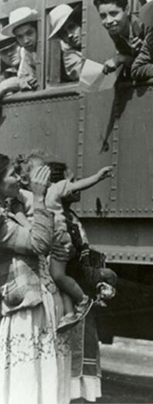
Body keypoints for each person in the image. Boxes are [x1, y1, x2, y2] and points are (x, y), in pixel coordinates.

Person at [12, 152, 113, 332]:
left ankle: (82, 300)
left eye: (46, 169)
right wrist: (27, 226)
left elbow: (77, 185)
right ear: (26, 180)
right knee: (56, 278)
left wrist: (97, 177)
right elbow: (16, 208)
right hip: (46, 241)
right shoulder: (24, 195)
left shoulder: (54, 188)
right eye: (41, 170)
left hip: (58, 239)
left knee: (58, 276)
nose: (46, 173)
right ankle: (68, 314)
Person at [0, 154, 72, 404]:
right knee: (28, 385)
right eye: (12, 174)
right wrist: (40, 197)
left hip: (39, 302)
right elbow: (39, 243)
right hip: (24, 309)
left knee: (42, 381)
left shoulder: (11, 210)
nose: (19, 178)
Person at [46, 161, 117, 403]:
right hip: (64, 291)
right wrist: (97, 277)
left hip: (75, 286)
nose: (76, 186)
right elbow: (69, 264)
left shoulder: (70, 217)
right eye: (72, 181)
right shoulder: (56, 219)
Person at [93, 0, 145, 77]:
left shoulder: (143, 26)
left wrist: (121, 59)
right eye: (103, 16)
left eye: (113, 13)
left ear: (127, 10)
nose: (108, 21)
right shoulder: (115, 30)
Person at [2, 6, 38, 85]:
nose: (26, 41)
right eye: (20, 37)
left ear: (37, 30)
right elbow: (23, 77)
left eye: (29, 33)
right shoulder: (27, 52)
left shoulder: (51, 45)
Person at [48, 4, 84, 81]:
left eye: (71, 27)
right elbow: (88, 76)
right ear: (62, 39)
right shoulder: (69, 56)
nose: (69, 35)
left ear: (80, 24)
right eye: (64, 34)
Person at [0, 33, 37, 98]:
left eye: (12, 48)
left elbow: (32, 78)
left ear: (20, 46)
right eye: (4, 52)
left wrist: (4, 86)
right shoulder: (6, 74)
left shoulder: (33, 63)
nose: (9, 54)